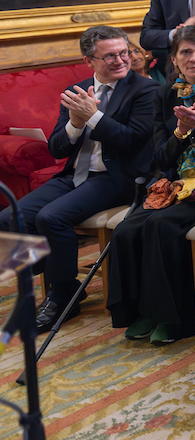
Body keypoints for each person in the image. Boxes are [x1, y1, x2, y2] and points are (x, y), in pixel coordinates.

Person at [0, 24, 157, 330]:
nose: (120, 60)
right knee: (9, 217)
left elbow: (131, 140)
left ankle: (61, 295)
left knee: (51, 218)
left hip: (115, 178)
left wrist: (94, 117)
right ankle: (59, 280)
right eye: (110, 56)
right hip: (73, 174)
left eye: (124, 52)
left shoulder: (145, 90)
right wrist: (74, 122)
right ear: (89, 61)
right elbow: (57, 149)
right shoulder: (78, 91)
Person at [107, 26, 195, 344]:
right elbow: (161, 159)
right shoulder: (165, 94)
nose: (194, 58)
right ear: (174, 59)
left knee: (161, 225)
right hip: (177, 183)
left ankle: (176, 318)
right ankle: (141, 311)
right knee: (126, 230)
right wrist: (181, 132)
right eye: (186, 52)